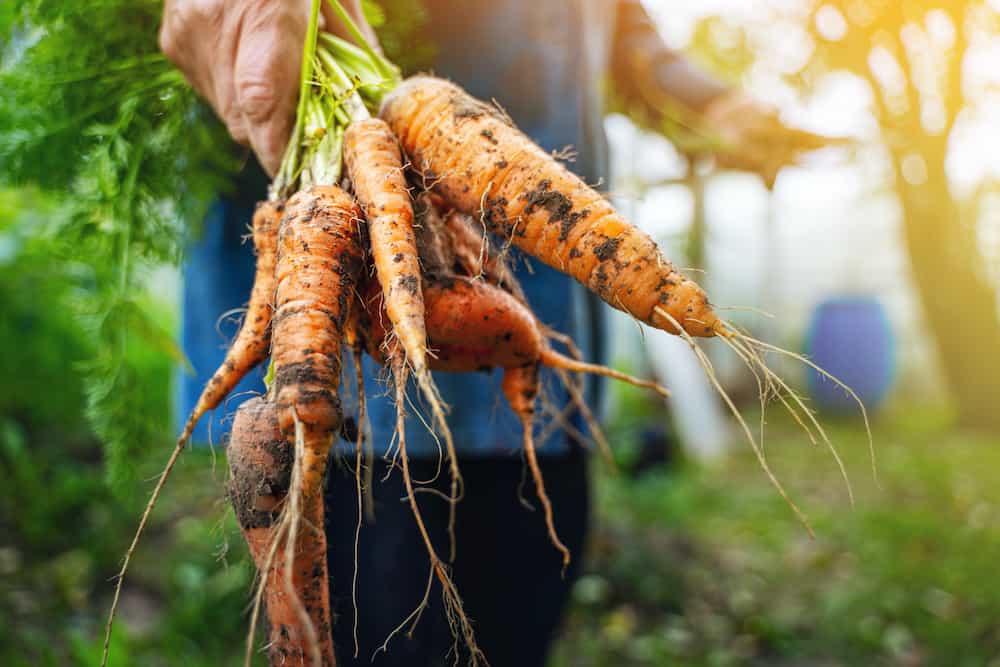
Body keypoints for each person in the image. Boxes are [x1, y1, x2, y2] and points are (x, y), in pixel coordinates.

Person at [161, 1, 823, 664]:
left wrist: (706, 106)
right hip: (354, 375)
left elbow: (622, 31)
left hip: (536, 349)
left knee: (520, 623)